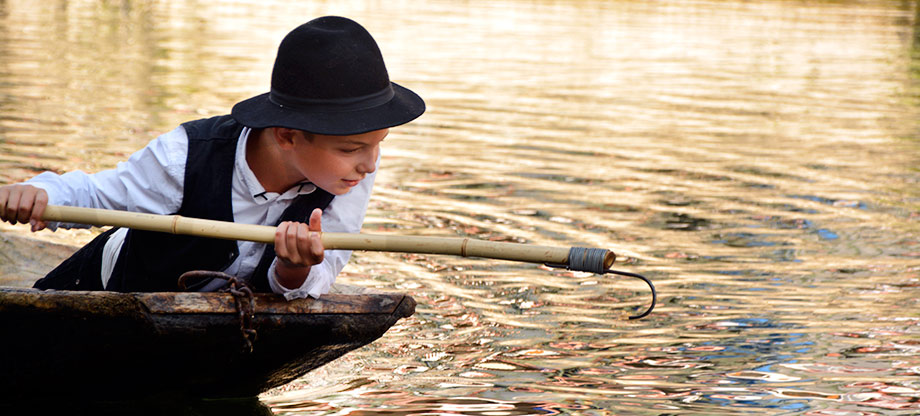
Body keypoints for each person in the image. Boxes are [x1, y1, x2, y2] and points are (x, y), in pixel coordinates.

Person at [0, 16, 425, 298]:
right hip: (103, 292)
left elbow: (316, 277)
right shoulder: (184, 157)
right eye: (352, 149)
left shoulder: (350, 174)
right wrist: (39, 192)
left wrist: (293, 268)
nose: (370, 164)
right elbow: (95, 195)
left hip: (221, 326)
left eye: (379, 143)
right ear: (287, 136)